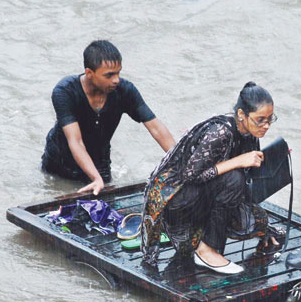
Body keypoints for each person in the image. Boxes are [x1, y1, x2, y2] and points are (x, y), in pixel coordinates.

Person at [141, 82, 283, 274]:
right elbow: (189, 177)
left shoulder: (250, 134)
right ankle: (206, 250)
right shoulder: (220, 132)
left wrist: (263, 228)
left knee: (255, 220)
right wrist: (238, 161)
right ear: (241, 115)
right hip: (175, 200)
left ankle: (211, 246)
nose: (266, 126)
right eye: (260, 120)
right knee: (234, 178)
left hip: (204, 195)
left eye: (269, 119)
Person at [41, 40, 175, 195]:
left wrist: (181, 161)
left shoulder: (125, 91)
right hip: (59, 167)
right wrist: (95, 179)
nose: (116, 80)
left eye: (118, 73)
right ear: (89, 73)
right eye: (109, 75)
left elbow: (156, 128)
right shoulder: (65, 92)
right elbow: (75, 141)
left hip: (100, 165)